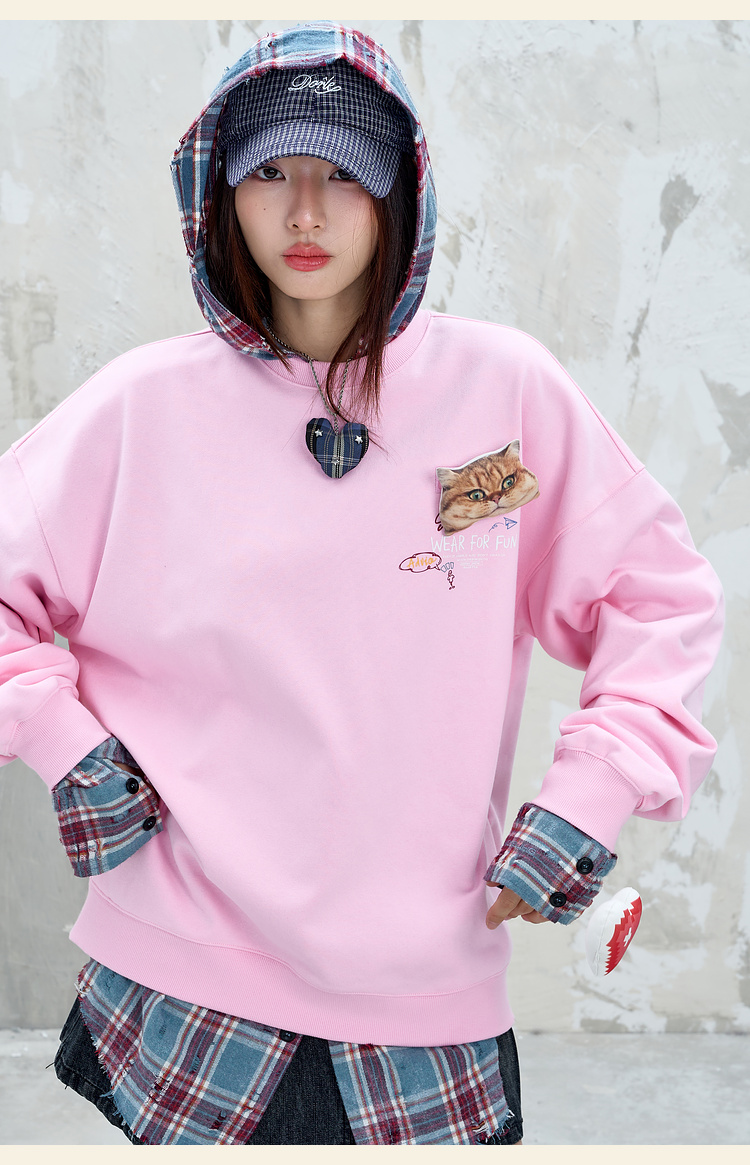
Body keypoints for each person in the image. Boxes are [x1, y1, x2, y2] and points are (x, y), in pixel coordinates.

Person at [0, 22, 723, 1146]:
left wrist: (587, 799)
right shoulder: (140, 407)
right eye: (271, 175)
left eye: (342, 174)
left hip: (423, 985)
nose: (305, 213)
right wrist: (71, 749)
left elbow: (659, 597)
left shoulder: (503, 391)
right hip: (184, 972)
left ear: (401, 192)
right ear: (219, 196)